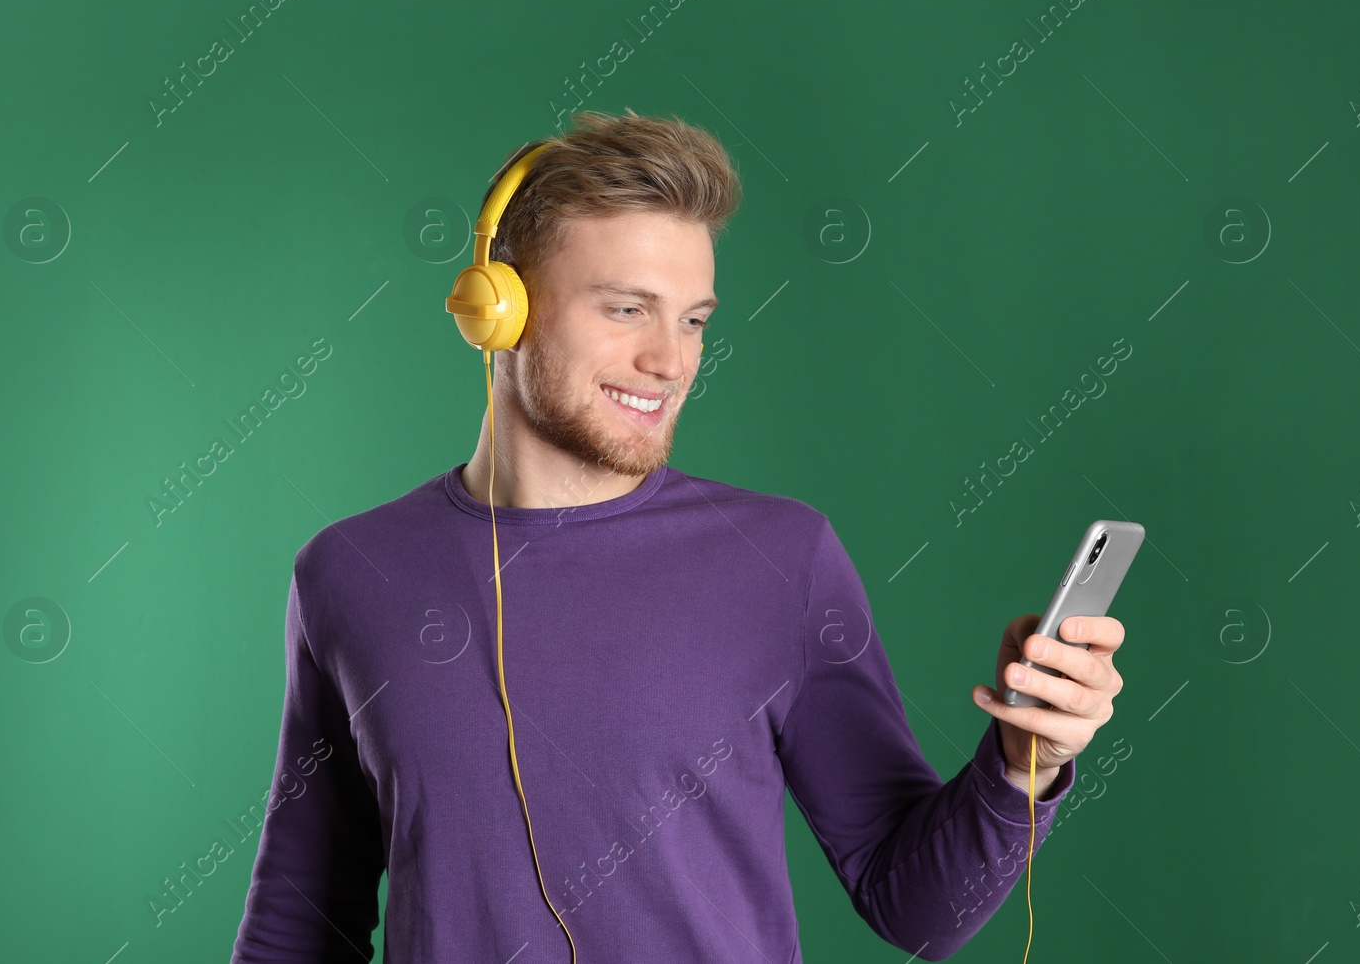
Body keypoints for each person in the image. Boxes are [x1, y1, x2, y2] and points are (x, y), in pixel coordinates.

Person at [229, 109, 1125, 962]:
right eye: (627, 309)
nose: (672, 359)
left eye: (693, 318)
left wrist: (1020, 764)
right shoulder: (350, 573)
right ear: (498, 309)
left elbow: (917, 909)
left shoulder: (783, 559)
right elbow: (302, 924)